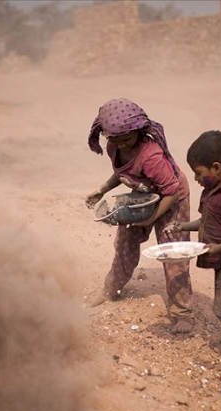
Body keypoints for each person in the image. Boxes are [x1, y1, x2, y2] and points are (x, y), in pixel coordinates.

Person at [84, 98, 195, 334]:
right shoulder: (115, 147)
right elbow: (122, 172)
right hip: (145, 197)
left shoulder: (151, 156)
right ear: (106, 135)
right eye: (115, 139)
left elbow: (171, 191)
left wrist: (150, 218)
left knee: (173, 252)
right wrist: (102, 188)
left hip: (171, 199)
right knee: (124, 243)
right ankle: (110, 289)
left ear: (138, 130)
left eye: (127, 138)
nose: (122, 144)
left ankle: (182, 313)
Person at [165, 130, 221, 372]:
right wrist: (183, 225)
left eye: (199, 173)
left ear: (217, 167)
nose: (195, 179)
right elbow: (205, 220)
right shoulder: (211, 192)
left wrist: (220, 247)